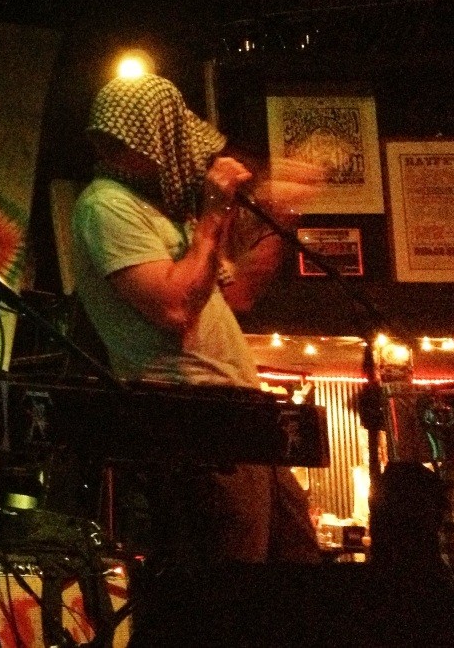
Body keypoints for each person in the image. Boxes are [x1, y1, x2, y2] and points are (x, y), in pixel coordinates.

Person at [70, 74, 321, 575]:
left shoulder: (163, 212)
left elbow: (235, 293)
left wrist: (281, 215)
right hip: (197, 426)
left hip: (239, 417)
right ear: (152, 137)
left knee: (297, 573)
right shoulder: (107, 205)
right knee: (228, 585)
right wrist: (211, 213)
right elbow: (175, 309)